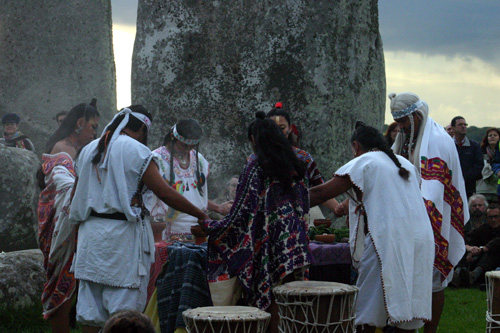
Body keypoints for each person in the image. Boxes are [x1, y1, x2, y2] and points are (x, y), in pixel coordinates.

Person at [69, 106, 209, 332]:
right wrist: (201, 214)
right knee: (125, 316)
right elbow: (164, 192)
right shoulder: (137, 150)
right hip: (121, 240)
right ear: (143, 128)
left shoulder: (89, 149)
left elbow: (77, 197)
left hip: (90, 237)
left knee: (91, 313)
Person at [310, 122, 434, 332]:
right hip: (419, 239)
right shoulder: (404, 163)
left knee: (367, 309)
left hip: (388, 241)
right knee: (405, 303)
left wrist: (283, 202)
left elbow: (321, 194)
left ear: (356, 146)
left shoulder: (365, 161)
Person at [202, 111, 312, 333]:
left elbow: (243, 211)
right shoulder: (295, 162)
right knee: (289, 299)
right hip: (294, 242)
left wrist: (211, 227)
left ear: (253, 139)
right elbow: (304, 204)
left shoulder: (255, 164)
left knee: (269, 298)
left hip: (268, 243)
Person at [389, 92, 469, 333]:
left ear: (415, 115)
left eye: (403, 121)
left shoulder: (437, 140)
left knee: (434, 280)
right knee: (407, 278)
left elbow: (436, 189)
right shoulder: (407, 137)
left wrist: (423, 219)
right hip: (409, 218)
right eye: (398, 122)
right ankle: (407, 326)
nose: (400, 127)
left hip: (434, 218)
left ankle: (430, 331)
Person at [37, 100, 100, 333]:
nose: (95, 132)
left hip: (73, 225)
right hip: (59, 227)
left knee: (82, 283)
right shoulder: (64, 150)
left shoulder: (80, 150)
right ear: (79, 123)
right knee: (61, 284)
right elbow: (64, 187)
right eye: (93, 126)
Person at [144, 119, 232, 241]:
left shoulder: (198, 159)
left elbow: (195, 196)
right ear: (172, 137)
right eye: (184, 145)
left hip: (198, 228)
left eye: (192, 146)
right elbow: (165, 194)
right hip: (166, 230)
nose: (187, 150)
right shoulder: (156, 160)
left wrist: (217, 208)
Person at [266, 105, 339, 221]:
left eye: (282, 127)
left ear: (290, 129)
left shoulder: (303, 158)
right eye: (273, 128)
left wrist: (339, 208)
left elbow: (319, 189)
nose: (277, 132)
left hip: (296, 225)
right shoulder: (256, 160)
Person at [452, 203, 500, 287]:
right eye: (490, 217)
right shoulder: (484, 228)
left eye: (496, 216)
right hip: (478, 259)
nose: (493, 220)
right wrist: (470, 249)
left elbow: (496, 243)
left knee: (491, 252)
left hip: (494, 263)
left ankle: (473, 275)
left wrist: (482, 249)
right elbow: (466, 239)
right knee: (462, 249)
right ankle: (457, 274)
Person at [451, 116, 483, 199]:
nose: (463, 126)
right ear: (453, 128)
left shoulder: (474, 146)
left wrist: (464, 178)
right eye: (460, 124)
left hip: (469, 188)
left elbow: (479, 165)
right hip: (451, 187)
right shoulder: (448, 145)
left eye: (465, 124)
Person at [477, 128, 500, 203]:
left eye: (495, 135)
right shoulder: (481, 151)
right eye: (490, 135)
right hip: (483, 188)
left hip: (496, 188)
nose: (492, 137)